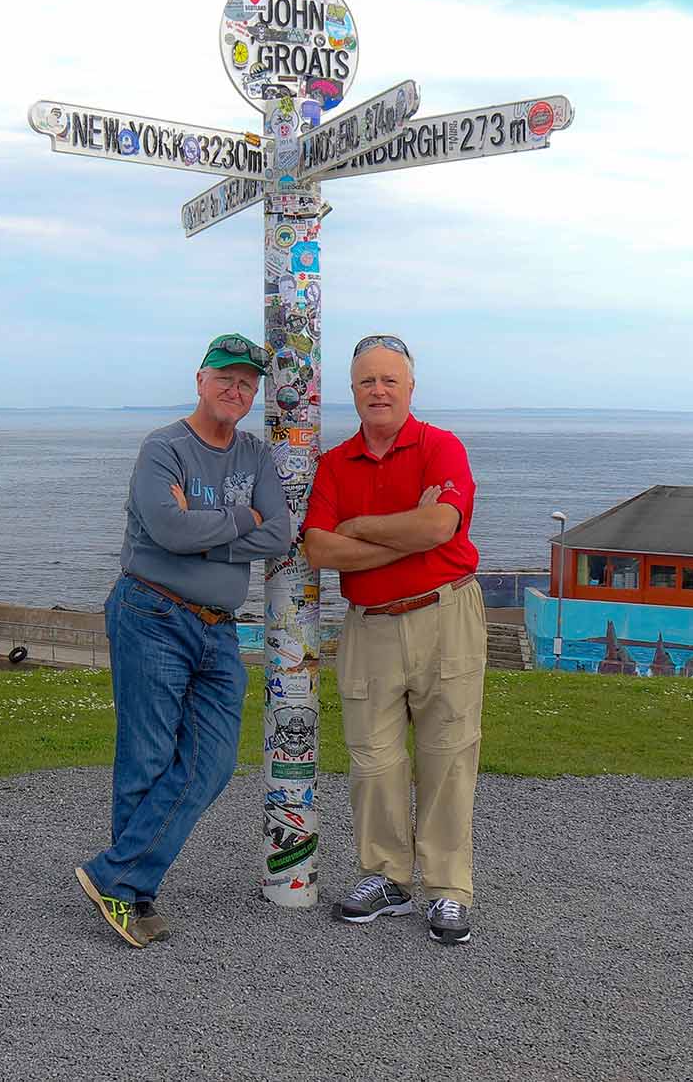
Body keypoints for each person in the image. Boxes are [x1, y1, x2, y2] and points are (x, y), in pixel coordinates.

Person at [75, 334, 291, 948]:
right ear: (200, 380)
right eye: (225, 377)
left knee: (215, 759)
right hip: (153, 614)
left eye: (248, 383)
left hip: (220, 628)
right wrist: (238, 522)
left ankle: (113, 876)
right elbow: (168, 529)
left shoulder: (255, 456)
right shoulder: (163, 449)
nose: (236, 390)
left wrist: (211, 532)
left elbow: (279, 533)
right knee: (145, 756)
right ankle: (133, 899)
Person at [303, 334, 485, 946]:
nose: (378, 391)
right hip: (370, 625)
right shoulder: (334, 463)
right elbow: (319, 548)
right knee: (373, 756)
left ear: (410, 387)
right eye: (366, 382)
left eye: (389, 380)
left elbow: (441, 525)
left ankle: (447, 888)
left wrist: (360, 527)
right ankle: (387, 876)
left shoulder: (441, 447)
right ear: (352, 391)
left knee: (448, 753)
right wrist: (405, 532)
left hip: (446, 616)